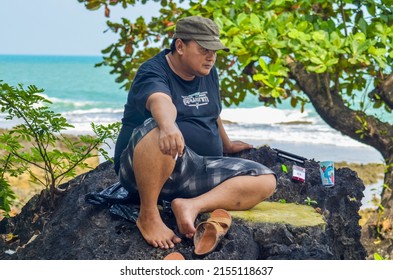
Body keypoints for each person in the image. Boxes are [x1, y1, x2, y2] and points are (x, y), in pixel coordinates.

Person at [114, 16, 276, 249]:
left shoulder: (208, 72)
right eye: (203, 49)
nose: (211, 56)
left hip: (197, 169)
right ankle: (148, 214)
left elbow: (212, 112)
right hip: (145, 171)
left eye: (214, 50)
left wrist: (227, 145)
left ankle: (191, 205)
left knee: (265, 180)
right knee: (155, 127)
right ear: (180, 46)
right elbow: (160, 101)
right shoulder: (152, 71)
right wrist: (169, 126)